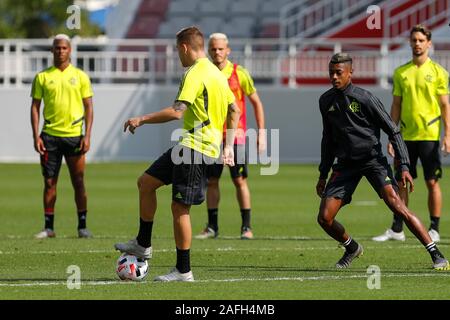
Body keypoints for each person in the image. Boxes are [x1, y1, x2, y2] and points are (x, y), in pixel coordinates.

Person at [114, 26, 239, 282]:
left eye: (177, 51)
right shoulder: (216, 74)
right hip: (193, 146)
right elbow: (234, 109)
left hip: (196, 148)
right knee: (146, 183)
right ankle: (143, 243)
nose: (177, 56)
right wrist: (226, 145)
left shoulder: (194, 73)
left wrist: (142, 118)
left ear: (184, 47)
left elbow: (177, 111)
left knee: (180, 207)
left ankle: (184, 271)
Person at [316, 52, 449, 270]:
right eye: (331, 72)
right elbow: (328, 139)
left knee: (398, 206)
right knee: (324, 218)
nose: (334, 77)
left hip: (372, 161)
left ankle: (436, 253)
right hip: (345, 165)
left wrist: (404, 165)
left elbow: (393, 130)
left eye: (338, 73)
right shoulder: (325, 101)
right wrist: (323, 174)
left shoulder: (365, 98)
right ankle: (352, 247)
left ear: (351, 73)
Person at [373, 24, 450, 243]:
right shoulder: (401, 73)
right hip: (404, 137)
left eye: (420, 40)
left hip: (429, 135)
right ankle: (397, 229)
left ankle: (434, 227)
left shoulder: (439, 72)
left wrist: (447, 135)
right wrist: (391, 135)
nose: (417, 43)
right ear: (410, 43)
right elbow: (396, 106)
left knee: (431, 182)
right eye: (414, 40)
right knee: (401, 182)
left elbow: (445, 106)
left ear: (429, 43)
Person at [195, 32, 266, 240]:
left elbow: (256, 102)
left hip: (237, 137)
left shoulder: (239, 73)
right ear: (208, 50)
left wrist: (262, 132)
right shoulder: (204, 73)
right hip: (212, 137)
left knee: (239, 180)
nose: (217, 52)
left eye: (220, 48)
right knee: (212, 181)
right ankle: (212, 227)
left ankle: (246, 227)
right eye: (213, 49)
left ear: (228, 50)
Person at [30, 34, 94, 239]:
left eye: (64, 48)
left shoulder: (81, 76)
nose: (60, 51)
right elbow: (35, 107)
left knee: (78, 180)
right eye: (57, 48)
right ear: (52, 50)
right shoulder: (42, 77)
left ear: (70, 50)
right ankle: (48, 227)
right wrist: (35, 136)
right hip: (49, 137)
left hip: (75, 136)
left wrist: (88, 135)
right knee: (49, 182)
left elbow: (89, 107)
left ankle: (82, 226)